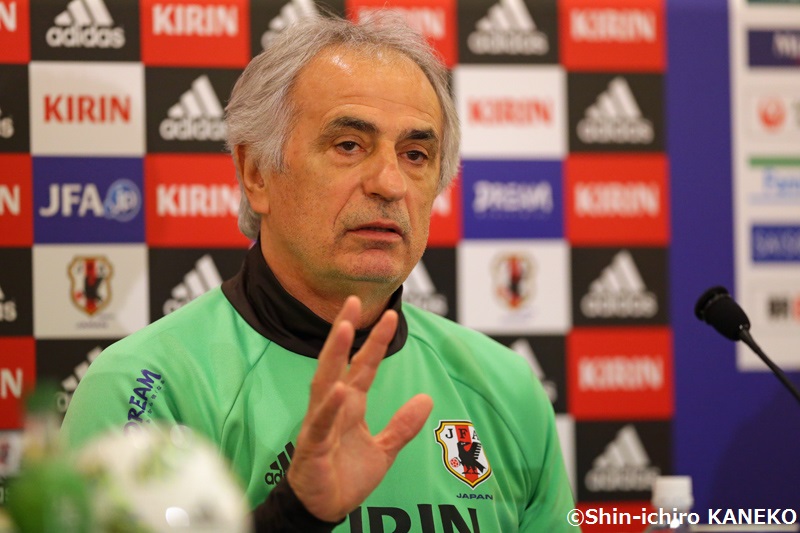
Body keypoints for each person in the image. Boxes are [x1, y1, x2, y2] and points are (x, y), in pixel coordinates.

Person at [61, 13, 575, 532]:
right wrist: (294, 514)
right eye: (349, 145)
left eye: (416, 154)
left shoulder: (507, 389)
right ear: (256, 174)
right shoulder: (146, 388)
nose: (390, 183)